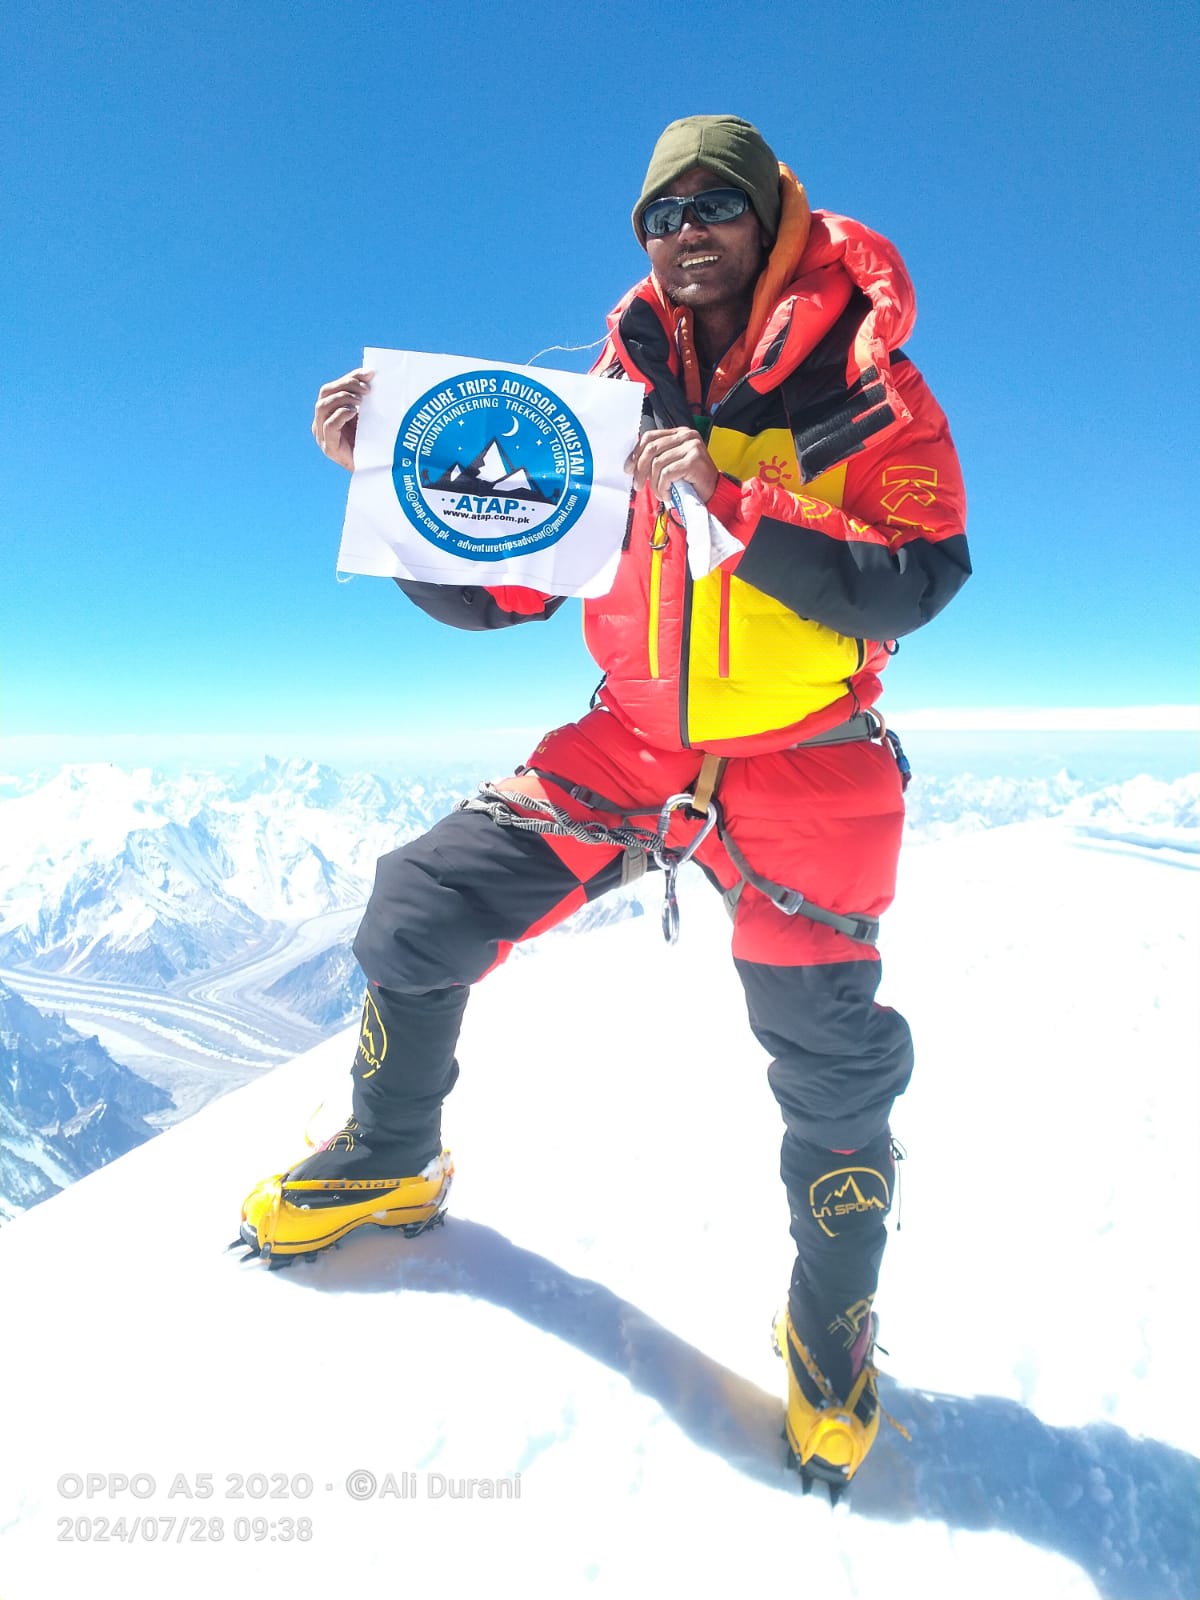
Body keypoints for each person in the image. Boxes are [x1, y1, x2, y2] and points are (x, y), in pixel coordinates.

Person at [240, 115, 969, 1491]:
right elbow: (501, 584)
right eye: (659, 214)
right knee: (424, 900)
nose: (682, 231)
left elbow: (920, 575)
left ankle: (834, 1329)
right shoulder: (603, 403)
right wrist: (388, 478)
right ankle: (391, 1157)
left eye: (712, 206)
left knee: (829, 1061)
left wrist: (738, 505)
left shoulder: (869, 387)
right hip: (630, 742)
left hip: (808, 753)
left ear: (767, 219)